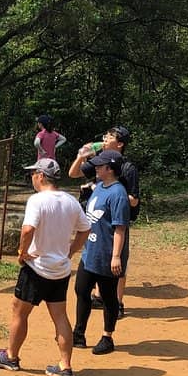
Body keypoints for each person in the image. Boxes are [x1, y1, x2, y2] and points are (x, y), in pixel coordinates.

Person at [0, 157, 91, 376]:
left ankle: (11, 356)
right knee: (60, 316)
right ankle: (65, 366)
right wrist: (70, 252)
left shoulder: (37, 200)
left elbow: (27, 229)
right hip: (60, 270)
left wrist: (22, 252)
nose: (32, 177)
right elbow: (85, 229)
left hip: (36, 268)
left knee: (19, 311)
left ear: (41, 176)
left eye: (34, 174)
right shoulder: (70, 201)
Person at [68, 124, 140, 316]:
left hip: (117, 220)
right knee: (96, 256)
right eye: (106, 136)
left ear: (120, 144)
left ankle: (117, 303)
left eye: (110, 137)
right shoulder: (100, 162)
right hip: (96, 220)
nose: (105, 139)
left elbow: (134, 200)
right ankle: (100, 297)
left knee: (118, 261)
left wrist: (112, 195)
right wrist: (82, 156)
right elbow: (73, 174)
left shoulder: (127, 168)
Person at [71, 149, 130, 355]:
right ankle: (78, 334)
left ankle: (107, 336)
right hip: (90, 252)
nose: (96, 168)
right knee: (81, 290)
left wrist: (115, 256)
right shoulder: (100, 188)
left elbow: (120, 228)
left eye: (100, 166)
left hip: (106, 255)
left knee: (108, 297)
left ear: (110, 169)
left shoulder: (118, 193)